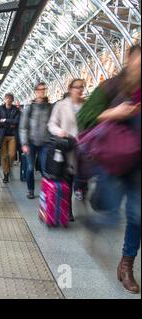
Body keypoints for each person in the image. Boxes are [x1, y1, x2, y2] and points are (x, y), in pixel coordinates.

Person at [77, 44, 141, 294]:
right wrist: (114, 113)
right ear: (129, 59)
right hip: (112, 162)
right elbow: (84, 118)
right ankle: (96, 217)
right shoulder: (111, 86)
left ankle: (126, 266)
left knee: (137, 215)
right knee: (111, 213)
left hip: (138, 165)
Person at [48, 79, 85, 220]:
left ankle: (82, 194)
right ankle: (68, 209)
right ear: (70, 88)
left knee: (81, 178)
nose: (80, 90)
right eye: (77, 87)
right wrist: (59, 131)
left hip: (84, 148)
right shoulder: (61, 105)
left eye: (82, 87)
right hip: (67, 147)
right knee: (68, 179)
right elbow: (51, 124)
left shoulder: (86, 105)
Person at [19, 82, 52, 199]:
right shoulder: (29, 108)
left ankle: (46, 190)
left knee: (45, 168)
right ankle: (30, 190)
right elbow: (23, 127)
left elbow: (53, 124)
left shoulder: (50, 107)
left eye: (44, 89)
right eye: (40, 89)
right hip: (30, 143)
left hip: (45, 143)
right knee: (29, 167)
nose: (42, 91)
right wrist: (24, 143)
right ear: (36, 91)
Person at [0, 93, 20, 183]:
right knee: (4, 156)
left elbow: (17, 122)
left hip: (12, 136)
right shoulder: (0, 109)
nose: (8, 100)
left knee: (12, 155)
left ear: (12, 100)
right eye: (7, 98)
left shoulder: (16, 110)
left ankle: (7, 167)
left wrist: (5, 120)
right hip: (2, 136)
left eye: (10, 98)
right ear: (4, 99)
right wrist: (10, 123)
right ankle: (6, 174)